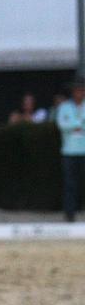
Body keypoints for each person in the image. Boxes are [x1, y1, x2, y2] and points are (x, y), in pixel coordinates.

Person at [55, 77, 85, 222]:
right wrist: (79, 123)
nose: (79, 93)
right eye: (77, 90)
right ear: (73, 92)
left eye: (82, 90)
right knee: (70, 184)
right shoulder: (64, 107)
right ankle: (70, 214)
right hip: (69, 151)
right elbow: (62, 125)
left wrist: (72, 124)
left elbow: (68, 125)